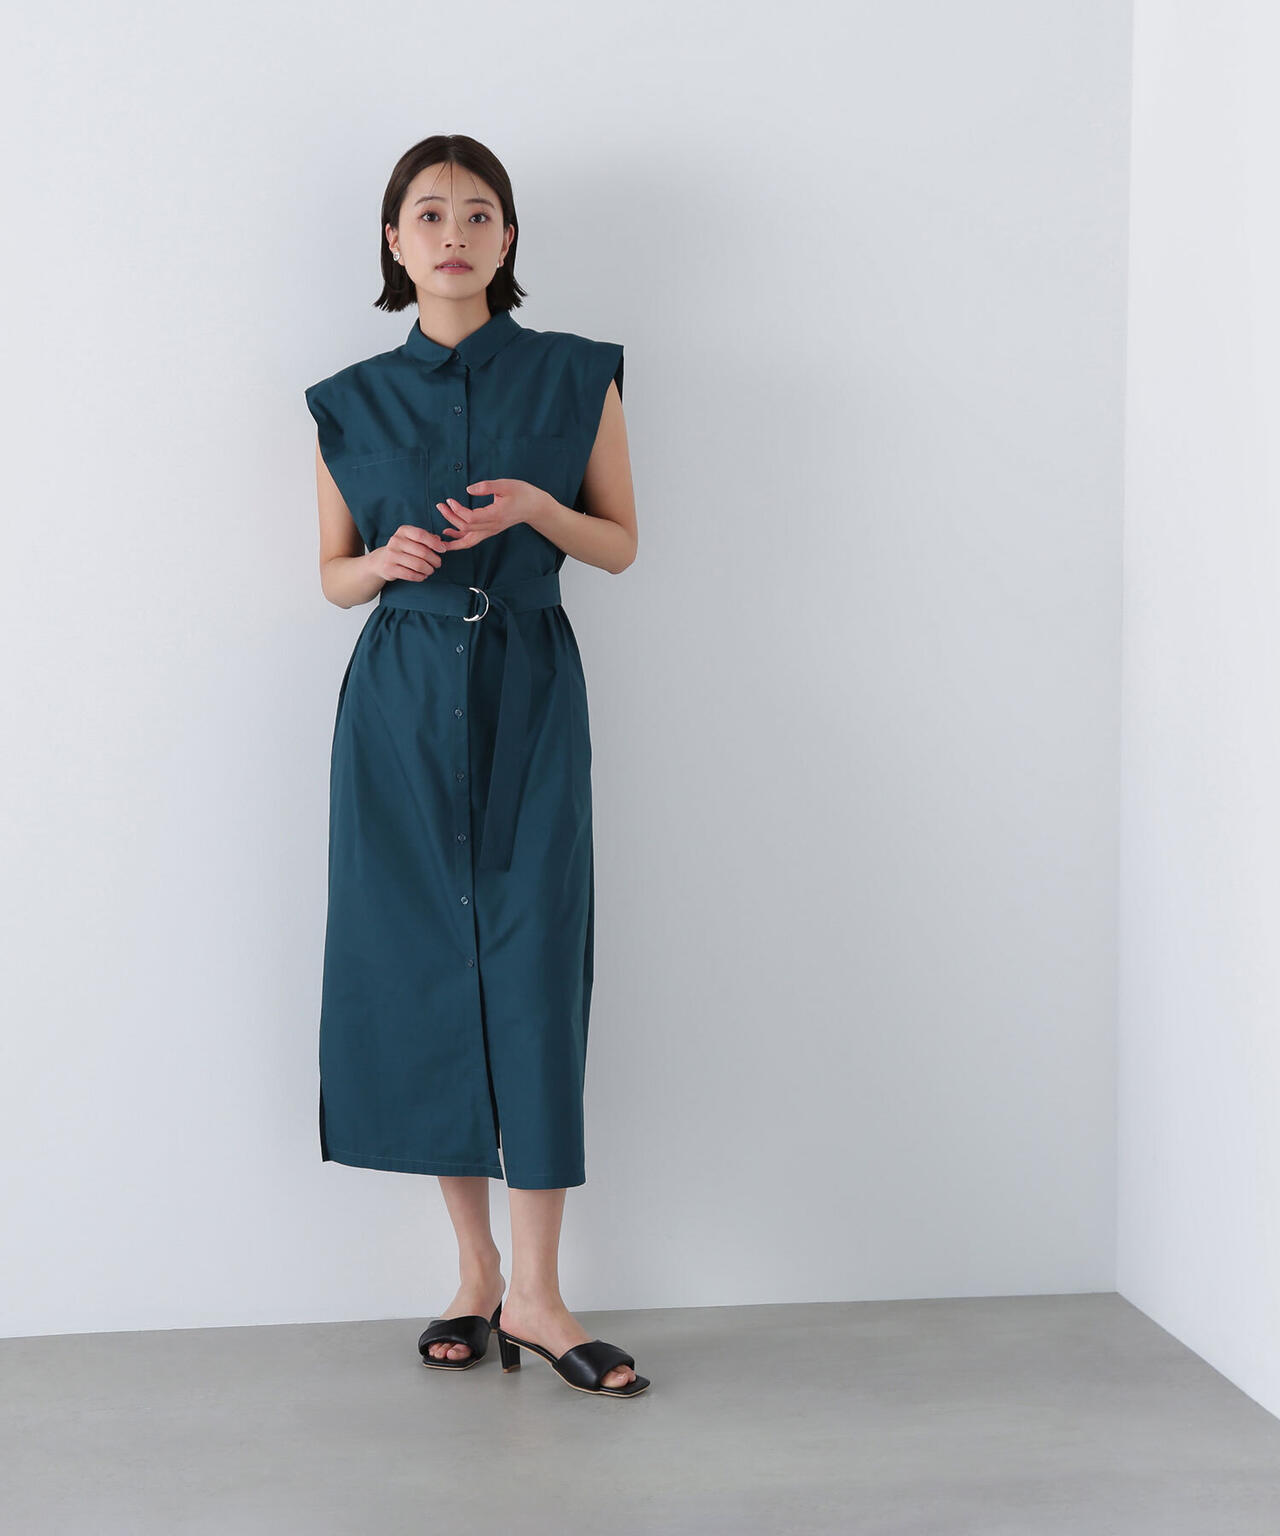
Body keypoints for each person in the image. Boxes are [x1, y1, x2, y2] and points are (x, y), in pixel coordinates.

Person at [304, 135, 647, 1399]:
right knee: (422, 969)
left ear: (508, 239)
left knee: (533, 966)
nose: (453, 233)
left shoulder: (576, 374)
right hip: (396, 705)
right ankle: (475, 1275)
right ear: (393, 242)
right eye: (428, 213)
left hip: (528, 690)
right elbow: (331, 574)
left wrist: (538, 513)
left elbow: (618, 543)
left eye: (479, 213)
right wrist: (377, 565)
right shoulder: (345, 400)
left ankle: (542, 1297)